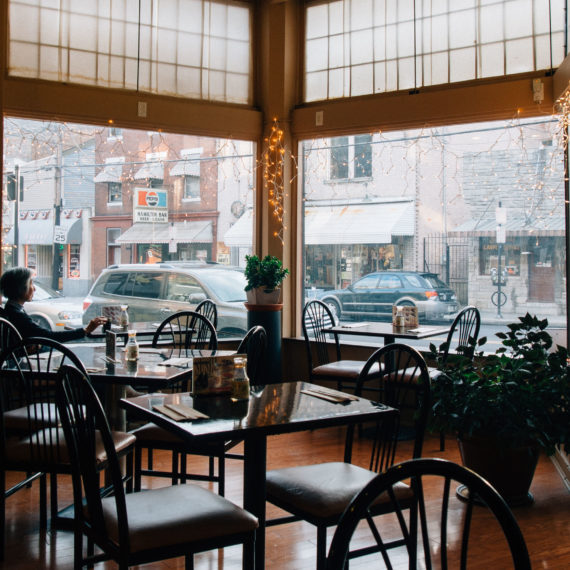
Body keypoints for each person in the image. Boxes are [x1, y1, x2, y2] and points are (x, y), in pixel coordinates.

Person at [0, 267, 106, 341]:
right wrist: (85, 330)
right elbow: (47, 336)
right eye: (31, 283)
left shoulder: (13, 310)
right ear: (20, 288)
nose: (34, 288)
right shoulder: (16, 314)